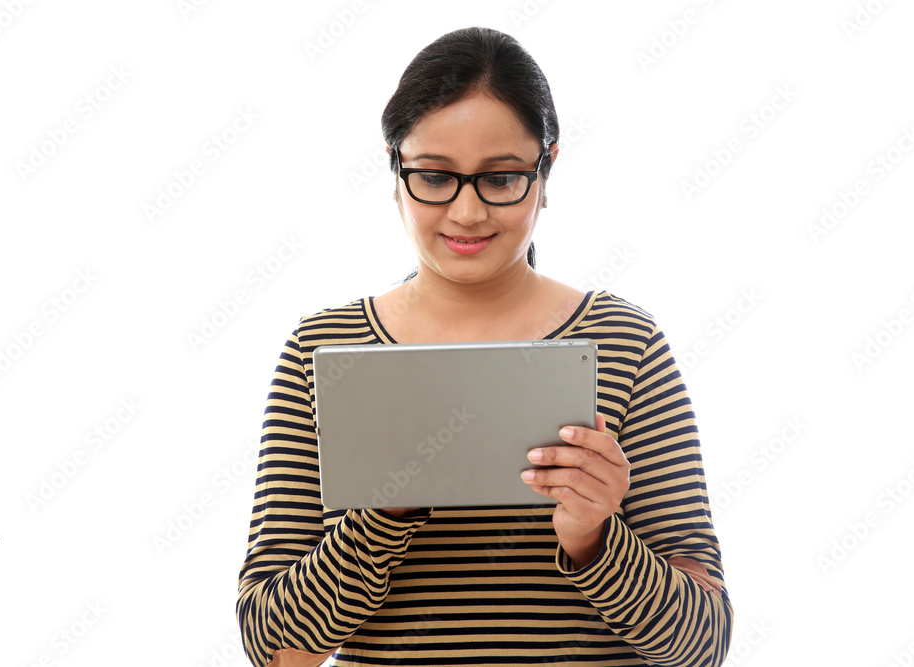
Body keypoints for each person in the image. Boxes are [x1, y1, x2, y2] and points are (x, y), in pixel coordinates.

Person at [236, 26, 733, 667]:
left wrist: (593, 538)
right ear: (395, 170)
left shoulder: (624, 343)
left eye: (501, 179)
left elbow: (704, 647)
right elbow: (276, 652)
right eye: (435, 177)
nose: (468, 213)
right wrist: (384, 512)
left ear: (546, 167)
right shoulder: (324, 351)